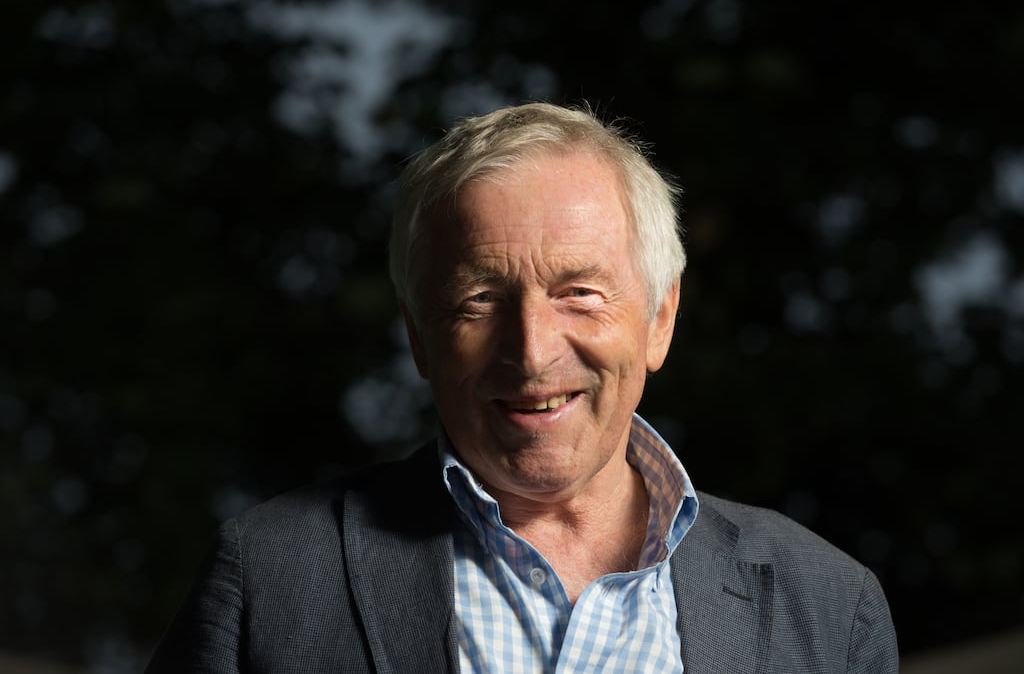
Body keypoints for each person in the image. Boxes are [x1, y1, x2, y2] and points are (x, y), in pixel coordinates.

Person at [146, 102, 898, 673]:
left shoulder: (829, 606)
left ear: (660, 319)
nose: (533, 352)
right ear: (418, 335)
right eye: (479, 300)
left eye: (579, 292)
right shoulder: (269, 575)